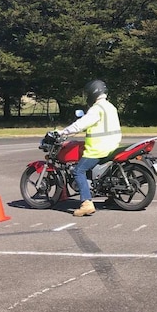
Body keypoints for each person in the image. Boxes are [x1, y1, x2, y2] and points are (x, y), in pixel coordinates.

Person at [56, 79, 122, 217]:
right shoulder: (110, 107)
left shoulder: (96, 109)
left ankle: (86, 203)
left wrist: (63, 132)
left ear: (93, 92)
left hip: (99, 148)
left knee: (78, 171)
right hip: (112, 146)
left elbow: (81, 124)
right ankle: (111, 195)